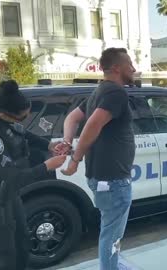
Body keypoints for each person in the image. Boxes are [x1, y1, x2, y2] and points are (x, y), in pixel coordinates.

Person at [0, 80, 67, 270]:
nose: (23, 121)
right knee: (5, 259)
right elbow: (13, 176)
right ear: (3, 113)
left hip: (9, 196)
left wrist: (49, 145)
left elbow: (21, 132)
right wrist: (47, 166)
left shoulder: (1, 118)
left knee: (22, 245)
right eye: (21, 117)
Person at [60, 48, 136, 270]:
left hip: (103, 177)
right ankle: (110, 267)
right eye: (129, 63)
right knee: (111, 233)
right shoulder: (116, 93)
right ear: (116, 68)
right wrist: (74, 158)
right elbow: (93, 124)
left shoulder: (99, 92)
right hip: (113, 179)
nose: (133, 68)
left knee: (109, 229)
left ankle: (112, 263)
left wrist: (67, 141)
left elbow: (72, 118)